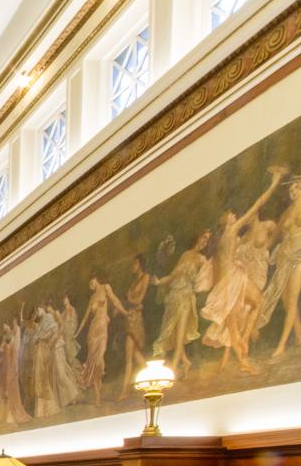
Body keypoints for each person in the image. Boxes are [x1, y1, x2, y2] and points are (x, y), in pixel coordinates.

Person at [201, 165, 285, 373]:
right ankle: (245, 343)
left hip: (223, 287)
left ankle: (244, 359)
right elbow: (257, 205)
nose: (233, 216)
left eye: (233, 214)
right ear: (226, 219)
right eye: (230, 214)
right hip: (233, 279)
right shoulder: (232, 231)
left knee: (235, 329)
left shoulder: (221, 240)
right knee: (258, 303)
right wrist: (274, 183)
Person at [257, 178, 301, 359]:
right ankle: (298, 326)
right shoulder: (286, 212)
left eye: (297, 188)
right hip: (284, 254)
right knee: (285, 298)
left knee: (293, 297)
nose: (293, 192)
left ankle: (281, 345)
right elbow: (274, 236)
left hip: (299, 253)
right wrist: (258, 251)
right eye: (291, 190)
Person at [152, 230, 213, 378]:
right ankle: (185, 361)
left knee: (179, 335)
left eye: (207, 240)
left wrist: (199, 287)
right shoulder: (186, 255)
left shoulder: (202, 259)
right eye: (204, 237)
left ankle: (173, 369)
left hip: (186, 298)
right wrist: (159, 282)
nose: (205, 241)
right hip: (175, 296)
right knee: (173, 333)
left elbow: (207, 279)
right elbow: (173, 275)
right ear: (197, 237)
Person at [76, 275, 127, 408]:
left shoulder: (105, 288)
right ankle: (97, 395)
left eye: (91, 282)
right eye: (89, 284)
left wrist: (125, 313)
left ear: (95, 278)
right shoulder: (92, 298)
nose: (90, 285)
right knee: (93, 362)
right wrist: (77, 333)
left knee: (99, 359)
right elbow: (85, 318)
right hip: (93, 331)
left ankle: (99, 389)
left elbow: (115, 301)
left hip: (102, 327)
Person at [117, 254, 152, 400]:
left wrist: (129, 298)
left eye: (135, 263)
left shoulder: (145, 277)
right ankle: (151, 379)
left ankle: (124, 391)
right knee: (134, 354)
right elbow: (132, 301)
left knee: (130, 356)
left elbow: (139, 299)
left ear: (140, 264)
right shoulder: (133, 282)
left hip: (136, 319)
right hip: (130, 317)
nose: (133, 266)